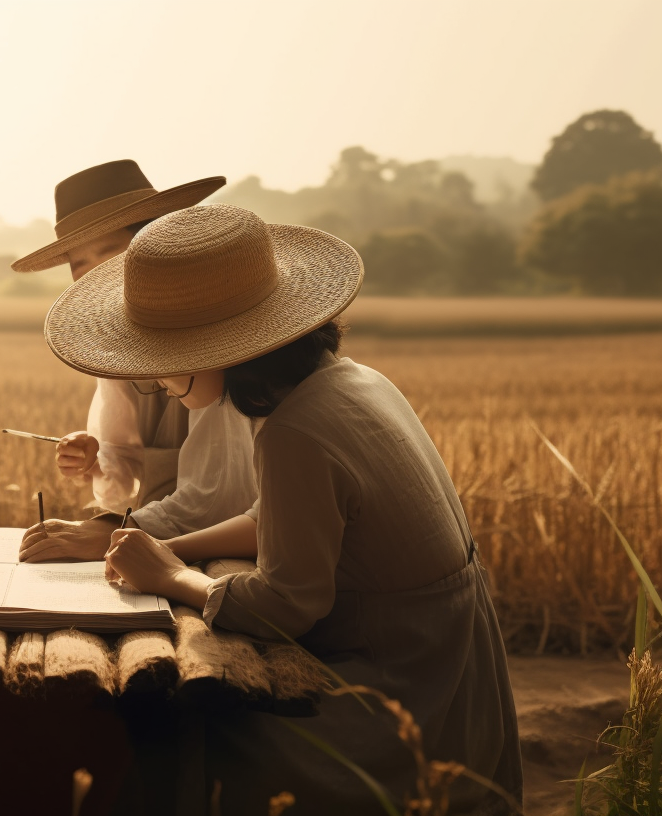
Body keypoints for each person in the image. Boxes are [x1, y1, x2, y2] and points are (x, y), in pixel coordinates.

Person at [47, 203, 522, 814]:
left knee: (178, 738)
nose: (156, 381)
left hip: (397, 693)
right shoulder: (355, 382)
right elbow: (276, 519)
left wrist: (169, 578)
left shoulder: (294, 430)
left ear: (218, 350)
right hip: (448, 669)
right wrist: (174, 549)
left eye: (160, 362)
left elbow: (287, 604)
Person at [11, 160, 257, 562]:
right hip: (157, 536)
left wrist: (111, 533)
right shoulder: (116, 347)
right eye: (81, 265)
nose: (98, 276)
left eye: (111, 254)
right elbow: (123, 463)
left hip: (223, 550)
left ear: (157, 244)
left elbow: (222, 492)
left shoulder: (215, 336)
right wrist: (94, 458)